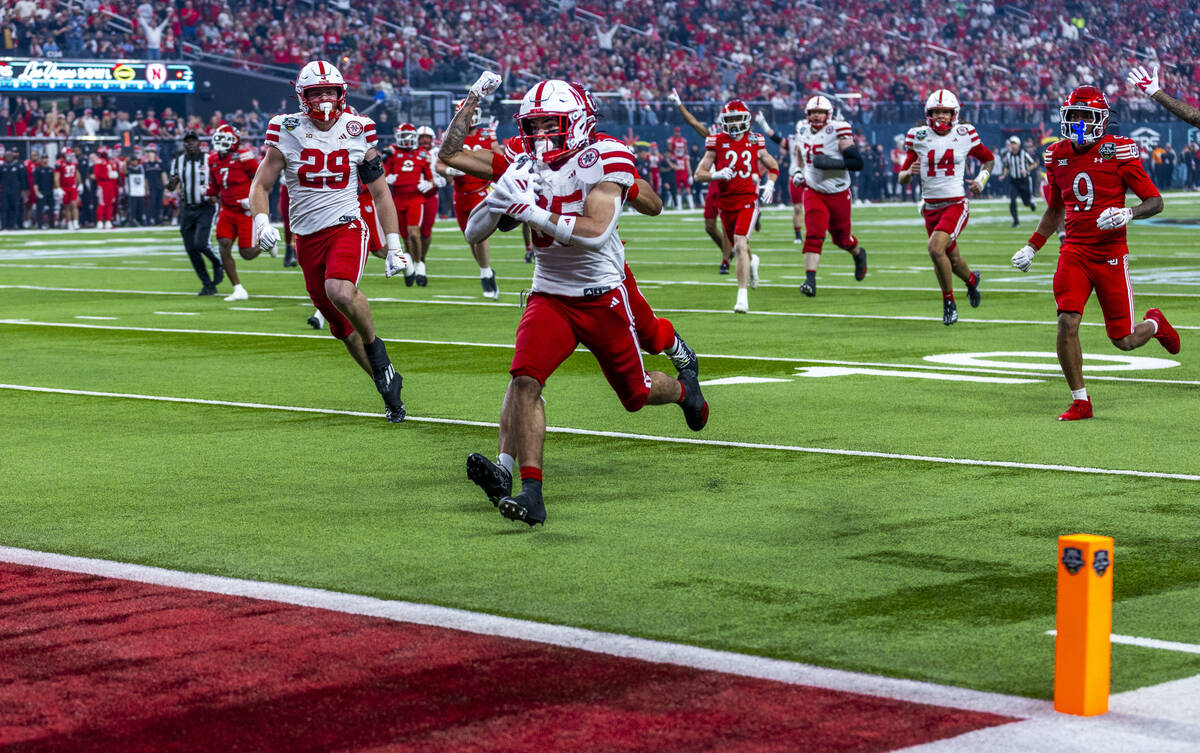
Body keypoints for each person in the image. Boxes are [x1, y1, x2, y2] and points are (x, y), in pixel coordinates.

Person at [456, 76, 708, 527]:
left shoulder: (603, 155)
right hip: (549, 293)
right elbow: (452, 160)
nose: (538, 136)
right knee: (524, 379)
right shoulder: (521, 159)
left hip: (600, 294)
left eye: (548, 125)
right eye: (532, 126)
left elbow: (593, 233)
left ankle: (685, 390)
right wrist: (499, 194)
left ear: (574, 122)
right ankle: (529, 489)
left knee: (635, 394)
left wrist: (530, 211)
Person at [249, 59, 411, 423]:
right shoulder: (286, 128)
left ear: (341, 94)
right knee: (340, 328)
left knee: (339, 290)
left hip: (346, 226)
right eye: (316, 92)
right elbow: (261, 184)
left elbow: (380, 192)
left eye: (329, 91)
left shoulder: (358, 128)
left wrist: (395, 245)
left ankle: (377, 350)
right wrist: (261, 221)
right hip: (306, 237)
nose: (324, 99)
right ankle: (385, 385)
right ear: (302, 96)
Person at [1010, 86, 1178, 421]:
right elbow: (1055, 208)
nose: (1078, 123)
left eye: (1085, 116)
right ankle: (1080, 401)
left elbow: (1155, 201)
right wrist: (1032, 245)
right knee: (1066, 322)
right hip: (1074, 251)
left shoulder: (1118, 151)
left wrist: (1128, 213)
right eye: (1073, 116)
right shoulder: (1056, 154)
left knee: (1124, 340)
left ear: (1101, 120)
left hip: (1110, 253)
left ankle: (1155, 323)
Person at [898, 90, 993, 325]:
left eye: (945, 112)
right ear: (928, 114)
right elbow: (902, 177)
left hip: (955, 204)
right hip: (931, 207)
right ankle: (972, 280)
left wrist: (981, 181)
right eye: (936, 112)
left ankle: (949, 302)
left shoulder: (965, 133)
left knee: (935, 249)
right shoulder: (917, 136)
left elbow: (988, 159)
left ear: (954, 114)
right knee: (953, 259)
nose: (940, 116)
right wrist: (909, 173)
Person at [695, 99, 779, 314]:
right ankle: (752, 262)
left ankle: (742, 298)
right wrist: (716, 174)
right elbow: (698, 174)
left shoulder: (755, 139)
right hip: (725, 203)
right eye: (729, 119)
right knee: (740, 247)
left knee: (740, 244)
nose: (733, 123)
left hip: (748, 200)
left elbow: (773, 166)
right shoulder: (716, 141)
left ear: (745, 120)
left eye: (736, 119)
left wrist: (770, 183)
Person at [785, 96, 866, 297]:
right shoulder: (802, 129)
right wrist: (798, 171)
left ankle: (858, 253)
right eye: (813, 112)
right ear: (808, 114)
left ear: (828, 114)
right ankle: (810, 280)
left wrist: (831, 163)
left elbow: (857, 162)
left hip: (838, 191)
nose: (817, 116)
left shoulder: (838, 129)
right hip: (813, 189)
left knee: (842, 239)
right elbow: (799, 152)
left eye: (820, 112)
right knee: (814, 233)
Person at [435, 99, 499, 299]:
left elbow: (500, 158)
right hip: (460, 193)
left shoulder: (487, 134)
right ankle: (485, 270)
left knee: (480, 235)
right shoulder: (452, 137)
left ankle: (485, 274)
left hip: (481, 190)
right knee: (470, 237)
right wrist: (449, 171)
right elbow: (439, 164)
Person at [668, 88, 731, 272]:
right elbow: (693, 122)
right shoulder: (715, 135)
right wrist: (679, 105)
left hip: (731, 183)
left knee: (727, 224)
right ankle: (729, 251)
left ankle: (725, 261)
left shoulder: (744, 138)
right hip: (714, 180)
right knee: (710, 226)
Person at [207, 123, 266, 301]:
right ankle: (238, 289)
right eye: (219, 139)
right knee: (224, 245)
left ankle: (266, 244)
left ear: (234, 142)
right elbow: (214, 185)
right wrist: (208, 193)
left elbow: (261, 179)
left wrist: (253, 198)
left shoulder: (244, 157)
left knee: (247, 253)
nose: (220, 143)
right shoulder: (212, 159)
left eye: (224, 140)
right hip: (226, 210)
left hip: (245, 210)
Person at [168, 131, 223, 295]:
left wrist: (216, 195)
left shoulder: (209, 159)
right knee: (191, 249)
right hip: (187, 208)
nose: (190, 144)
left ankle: (218, 262)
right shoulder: (178, 162)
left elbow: (219, 180)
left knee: (201, 244)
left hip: (205, 207)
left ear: (199, 143)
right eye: (187, 141)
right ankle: (208, 284)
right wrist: (170, 184)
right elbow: (172, 185)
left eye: (193, 141)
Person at [385, 122, 433, 286]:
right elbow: (382, 173)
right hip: (398, 198)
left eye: (408, 137)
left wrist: (428, 184)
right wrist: (387, 178)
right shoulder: (391, 152)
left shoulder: (423, 154)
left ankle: (420, 265)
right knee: (405, 238)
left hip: (415, 198)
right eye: (403, 136)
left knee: (414, 233)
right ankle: (411, 265)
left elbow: (430, 178)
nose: (405, 140)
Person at [998, 135, 1037, 227]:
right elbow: (1007, 167)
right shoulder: (1008, 155)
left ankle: (1031, 203)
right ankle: (1016, 221)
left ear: (1018, 145)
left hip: (1024, 181)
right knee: (1012, 200)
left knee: (1026, 202)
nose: (1013, 145)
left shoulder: (1024, 154)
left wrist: (1026, 170)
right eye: (1011, 144)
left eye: (1014, 144)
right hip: (1014, 182)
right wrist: (1003, 175)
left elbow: (1034, 164)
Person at [665, 126, 693, 210]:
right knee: (678, 189)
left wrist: (690, 175)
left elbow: (688, 165)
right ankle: (679, 205)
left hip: (684, 173)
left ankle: (691, 205)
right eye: (676, 132)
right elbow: (669, 150)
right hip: (676, 172)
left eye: (679, 131)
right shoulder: (671, 142)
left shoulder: (684, 144)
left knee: (687, 189)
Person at [93, 146, 120, 229]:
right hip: (103, 185)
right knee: (102, 204)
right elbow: (97, 175)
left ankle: (108, 221)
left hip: (111, 185)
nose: (110, 153)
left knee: (110, 204)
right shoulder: (99, 162)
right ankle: (99, 222)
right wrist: (108, 176)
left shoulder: (110, 161)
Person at [54, 147, 81, 230]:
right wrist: (58, 188)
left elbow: (77, 173)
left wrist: (80, 183)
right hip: (64, 187)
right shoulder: (59, 163)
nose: (70, 156)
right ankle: (69, 223)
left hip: (72, 186)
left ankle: (76, 223)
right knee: (67, 206)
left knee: (74, 205)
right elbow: (56, 176)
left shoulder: (74, 162)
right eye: (68, 155)